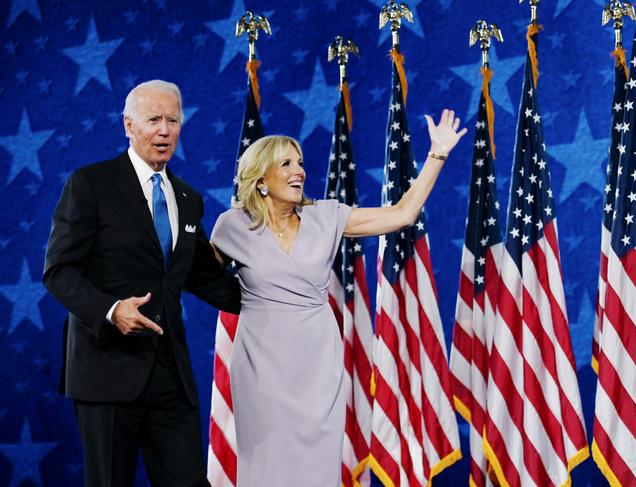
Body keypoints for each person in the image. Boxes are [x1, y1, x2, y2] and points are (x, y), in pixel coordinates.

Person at [210, 109, 467, 486]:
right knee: (266, 465)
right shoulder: (232, 226)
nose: (299, 170)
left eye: (299, 162)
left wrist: (437, 154)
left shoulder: (326, 217)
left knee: (316, 466)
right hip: (260, 364)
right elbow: (198, 277)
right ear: (261, 178)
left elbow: (402, 215)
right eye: (286, 163)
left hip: (317, 361)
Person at [43, 80, 241, 487]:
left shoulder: (187, 198)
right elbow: (59, 271)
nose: (164, 130)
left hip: (170, 375)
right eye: (154, 119)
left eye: (173, 120)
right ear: (128, 126)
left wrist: (286, 295)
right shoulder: (91, 184)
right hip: (106, 371)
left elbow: (206, 278)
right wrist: (112, 311)